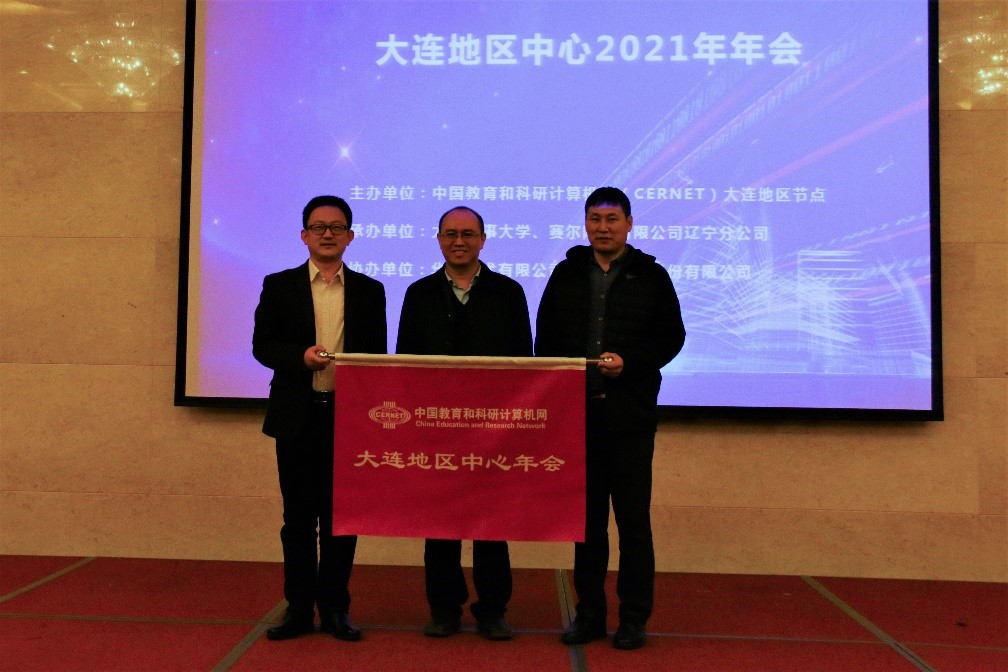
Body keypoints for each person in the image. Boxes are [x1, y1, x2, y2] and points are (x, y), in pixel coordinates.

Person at [535, 187, 686, 650]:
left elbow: (672, 337)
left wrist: (631, 363)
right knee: (587, 526)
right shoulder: (566, 273)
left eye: (612, 219)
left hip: (630, 419)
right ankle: (590, 615)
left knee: (634, 525)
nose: (603, 228)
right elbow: (546, 339)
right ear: (586, 224)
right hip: (578, 417)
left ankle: (634, 618)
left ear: (629, 224)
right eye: (595, 219)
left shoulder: (651, 275)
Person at [252, 195, 387, 641]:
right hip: (297, 417)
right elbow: (262, 347)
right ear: (304, 235)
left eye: (336, 227)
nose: (328, 234)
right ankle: (298, 610)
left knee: (340, 520)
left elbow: (376, 357)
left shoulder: (370, 291)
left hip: (348, 420)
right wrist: (300, 358)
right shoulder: (279, 285)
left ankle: (335, 609)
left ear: (351, 236)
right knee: (297, 520)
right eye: (318, 227)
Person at [396, 205, 533, 641]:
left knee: (491, 524)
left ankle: (493, 610)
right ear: (439, 239)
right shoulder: (419, 294)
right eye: (451, 234)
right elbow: (405, 365)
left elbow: (525, 364)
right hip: (436, 430)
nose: (459, 241)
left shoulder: (508, 292)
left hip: (494, 431)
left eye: (468, 234)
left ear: (483, 240)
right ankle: (444, 609)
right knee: (440, 524)